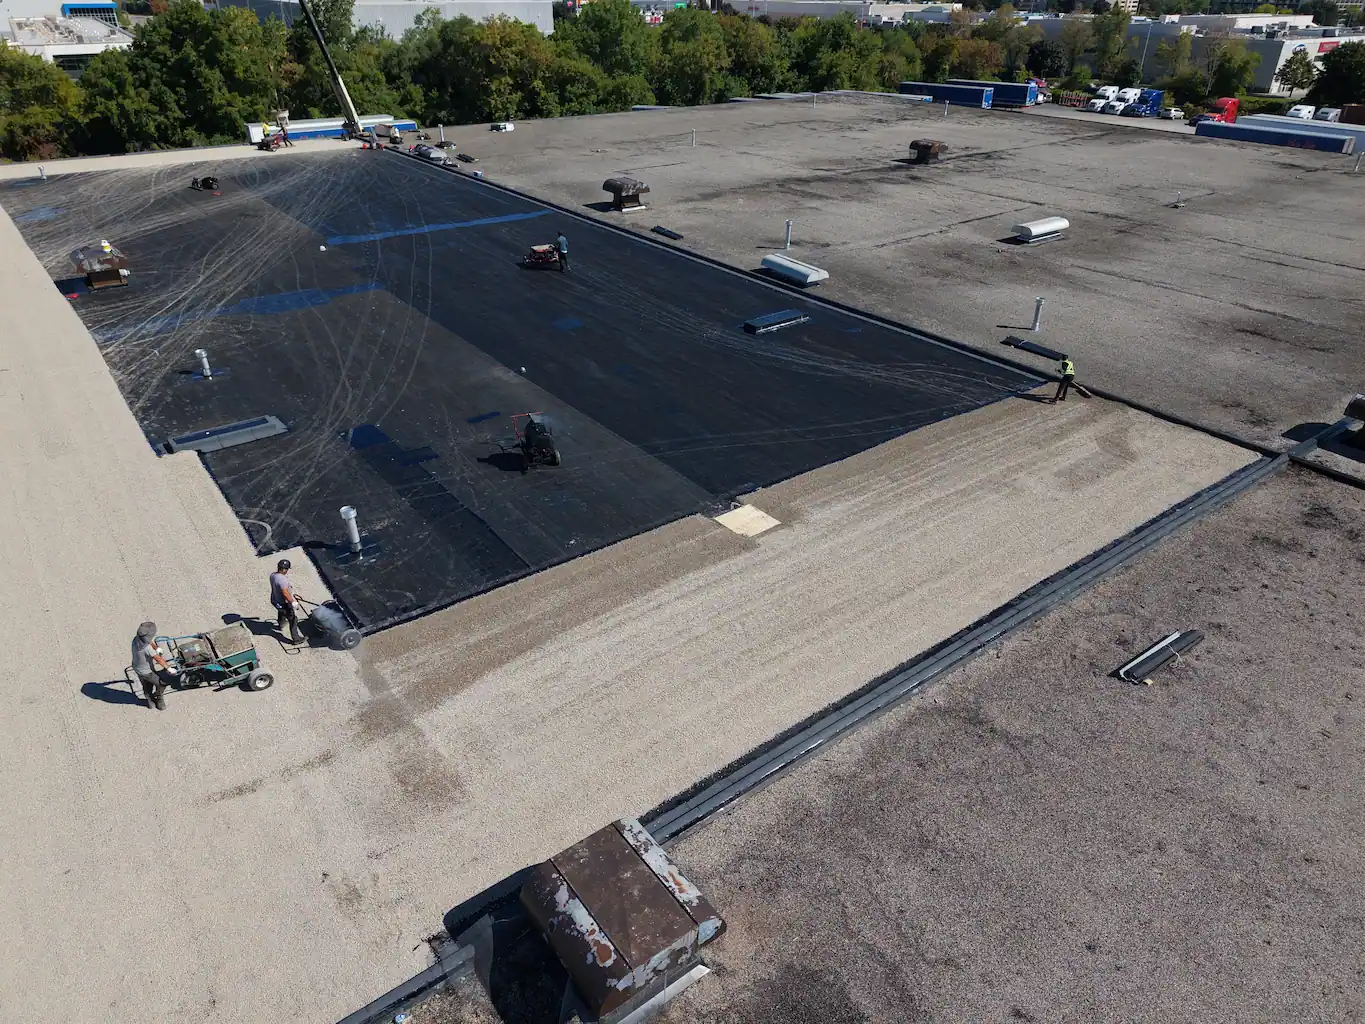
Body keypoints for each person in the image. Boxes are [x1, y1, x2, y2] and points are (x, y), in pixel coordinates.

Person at [131, 621, 175, 711]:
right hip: (146, 671)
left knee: (147, 685)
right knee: (162, 683)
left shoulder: (136, 639)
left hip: (137, 667)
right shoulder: (147, 649)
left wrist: (156, 647)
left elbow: (148, 641)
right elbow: (158, 659)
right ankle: (159, 698)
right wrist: (169, 668)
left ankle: (150, 701)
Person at [270, 559, 304, 644]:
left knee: (281, 611)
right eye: (287, 569)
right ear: (284, 569)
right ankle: (296, 639)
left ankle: (281, 624)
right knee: (293, 619)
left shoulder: (273, 575)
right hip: (283, 603)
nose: (287, 571)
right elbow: (285, 593)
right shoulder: (282, 580)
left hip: (275, 600)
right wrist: (293, 602)